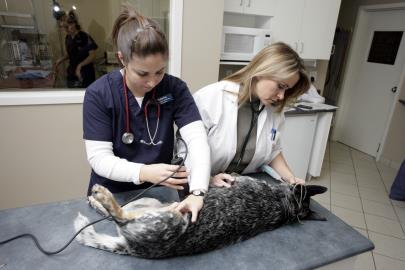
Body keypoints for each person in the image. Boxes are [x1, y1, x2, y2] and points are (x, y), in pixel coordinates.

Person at [82, 5, 210, 222]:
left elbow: (197, 140)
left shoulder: (175, 89)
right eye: (142, 73)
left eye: (160, 71)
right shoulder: (99, 93)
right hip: (112, 196)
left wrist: (198, 192)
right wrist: (144, 172)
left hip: (158, 195)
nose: (152, 82)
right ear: (122, 59)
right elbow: (99, 158)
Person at [193, 42, 310, 188]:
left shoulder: (274, 111)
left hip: (243, 187)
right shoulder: (210, 98)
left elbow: (273, 151)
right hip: (202, 186)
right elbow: (187, 151)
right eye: (280, 86)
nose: (281, 96)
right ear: (262, 71)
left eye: (287, 90)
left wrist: (290, 178)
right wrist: (208, 179)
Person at [55, 10, 98, 88]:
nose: (67, 29)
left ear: (74, 24)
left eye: (68, 26)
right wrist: (60, 60)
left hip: (85, 72)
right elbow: (71, 53)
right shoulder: (68, 38)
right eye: (65, 28)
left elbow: (93, 55)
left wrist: (80, 65)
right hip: (72, 71)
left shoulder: (84, 36)